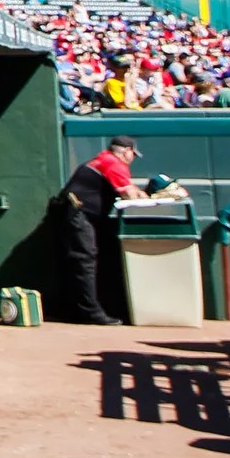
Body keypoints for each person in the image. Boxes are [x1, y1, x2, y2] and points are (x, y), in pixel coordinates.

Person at [55, 135, 140, 325]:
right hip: (79, 215)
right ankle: (90, 312)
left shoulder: (104, 159)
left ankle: (79, 310)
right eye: (133, 154)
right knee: (84, 260)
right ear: (127, 152)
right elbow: (130, 194)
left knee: (82, 261)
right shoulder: (112, 162)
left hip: (79, 214)